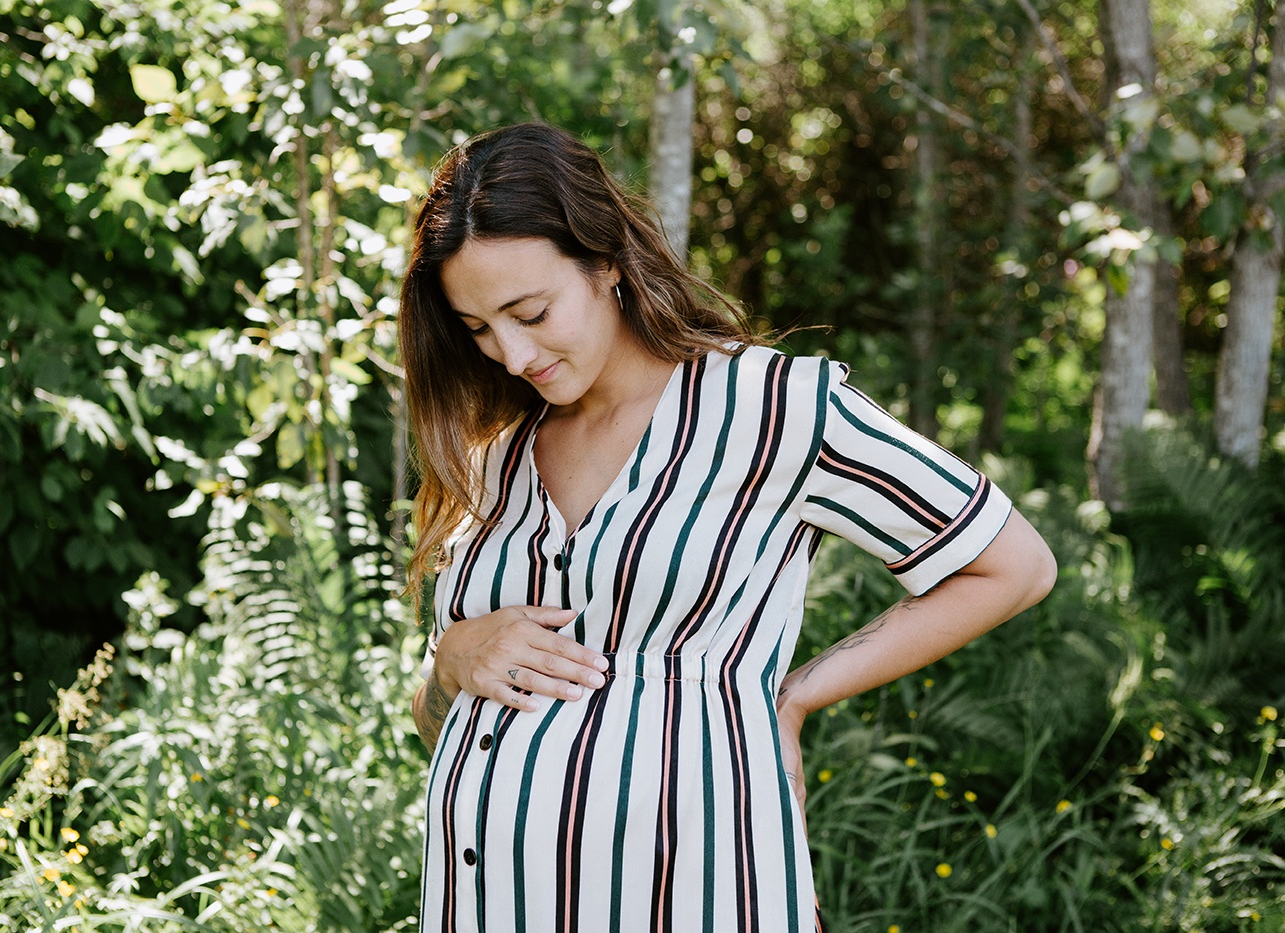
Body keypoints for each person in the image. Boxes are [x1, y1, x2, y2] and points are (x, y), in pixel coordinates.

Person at [400, 122, 1056, 933]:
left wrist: (795, 695)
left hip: (696, 895)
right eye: (478, 328)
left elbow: (1013, 565)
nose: (511, 352)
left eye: (530, 311)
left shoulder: (772, 409)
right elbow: (438, 725)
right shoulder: (494, 462)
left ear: (605, 261)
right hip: (483, 906)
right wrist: (452, 659)